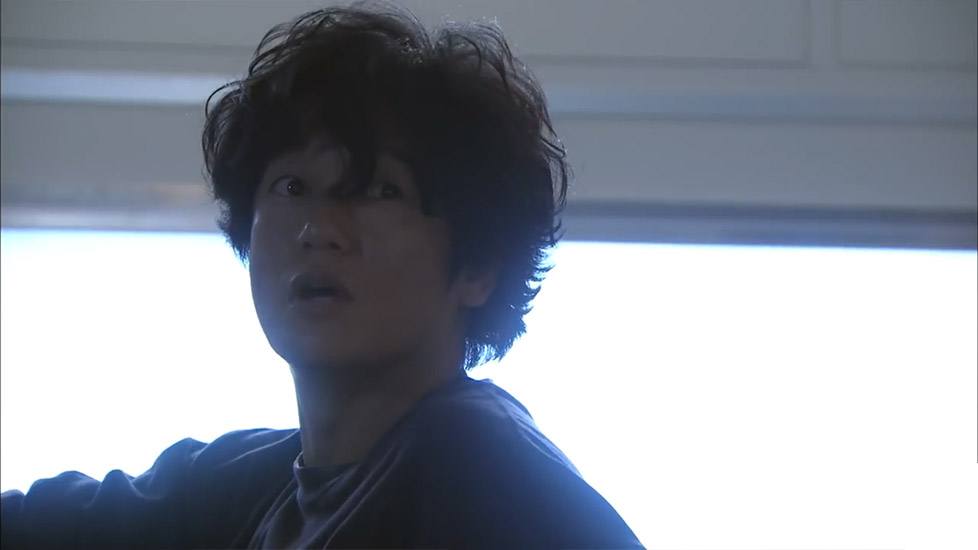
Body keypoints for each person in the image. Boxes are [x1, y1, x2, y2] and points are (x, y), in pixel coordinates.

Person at [1, 2, 644, 548]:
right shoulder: (244, 485)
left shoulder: (483, 470)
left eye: (381, 191)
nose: (318, 228)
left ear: (477, 268)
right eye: (291, 186)